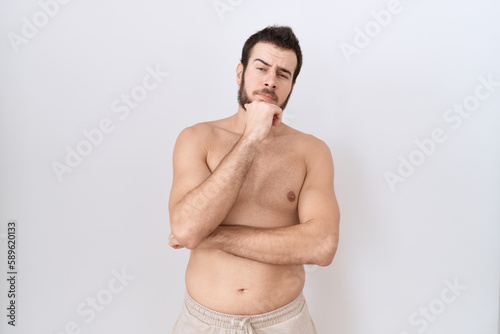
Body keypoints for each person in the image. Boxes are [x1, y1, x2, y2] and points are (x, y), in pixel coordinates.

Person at [168, 25, 340, 333]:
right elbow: (186, 227)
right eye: (261, 67)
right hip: (203, 323)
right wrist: (252, 136)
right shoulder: (197, 138)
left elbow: (321, 245)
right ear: (240, 72)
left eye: (283, 74)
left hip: (284, 323)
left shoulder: (312, 151)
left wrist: (213, 235)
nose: (270, 80)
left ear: (291, 86)